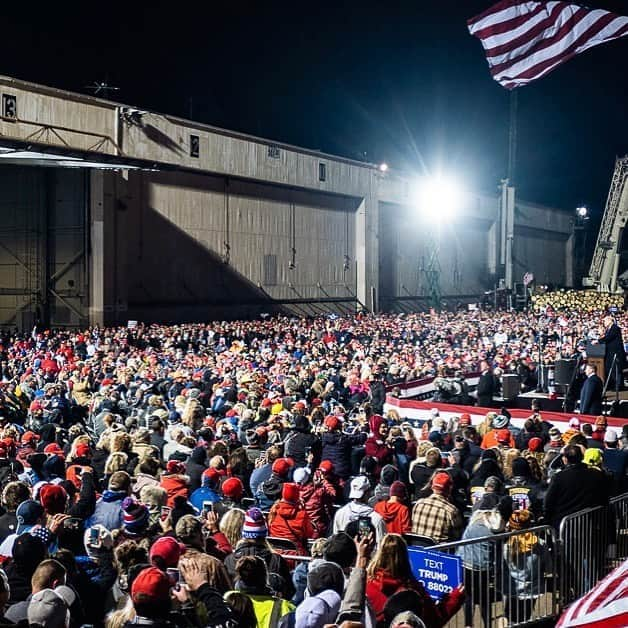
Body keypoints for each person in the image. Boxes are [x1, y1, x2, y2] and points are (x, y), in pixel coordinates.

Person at [365, 533, 464, 627]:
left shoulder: (365, 585)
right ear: (405, 556)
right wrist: (455, 598)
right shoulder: (414, 591)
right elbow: (434, 621)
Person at [543, 444, 609, 530]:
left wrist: (547, 518)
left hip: (565, 524)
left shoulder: (559, 477)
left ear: (565, 460)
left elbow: (548, 502)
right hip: (587, 522)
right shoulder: (596, 474)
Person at [332, 476, 387, 544]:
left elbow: (335, 541)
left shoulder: (340, 513)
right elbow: (381, 545)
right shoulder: (376, 518)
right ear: (368, 492)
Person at [411, 472, 463, 544]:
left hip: (417, 551)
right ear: (449, 489)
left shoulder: (418, 504)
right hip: (439, 553)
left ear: (432, 486)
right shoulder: (451, 511)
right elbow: (458, 538)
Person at [268, 483, 314, 554]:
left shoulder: (274, 509)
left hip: (275, 554)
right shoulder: (302, 514)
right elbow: (309, 534)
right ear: (297, 496)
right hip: (296, 557)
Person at [596, 314, 626, 391]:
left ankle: (618, 386)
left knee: (616, 370)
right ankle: (612, 385)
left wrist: (598, 341)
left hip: (616, 353)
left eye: (605, 321)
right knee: (609, 369)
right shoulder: (608, 329)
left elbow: (609, 338)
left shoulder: (615, 328)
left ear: (610, 320)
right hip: (609, 353)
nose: (604, 322)